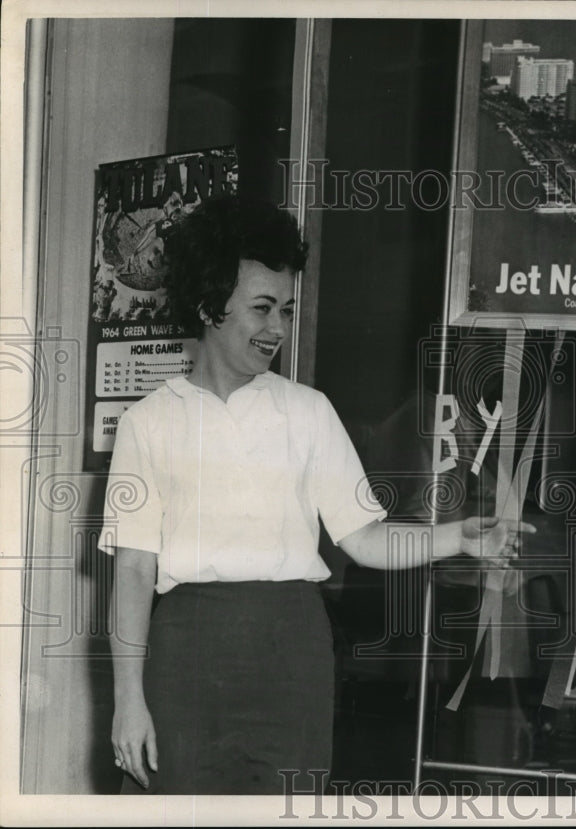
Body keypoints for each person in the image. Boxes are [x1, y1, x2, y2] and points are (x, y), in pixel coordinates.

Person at [99, 194, 531, 795]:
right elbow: (134, 570)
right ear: (208, 306)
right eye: (262, 307)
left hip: (291, 648)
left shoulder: (308, 412)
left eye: (287, 309)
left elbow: (364, 538)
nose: (278, 327)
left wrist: (456, 536)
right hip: (186, 655)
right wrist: (128, 702)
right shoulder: (149, 422)